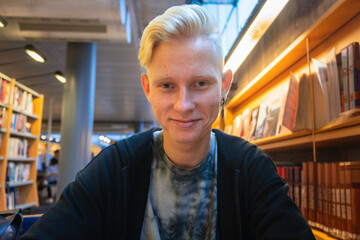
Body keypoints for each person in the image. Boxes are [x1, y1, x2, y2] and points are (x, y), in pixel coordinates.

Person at [20, 4, 315, 239]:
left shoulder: (250, 169)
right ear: (147, 88)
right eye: (167, 86)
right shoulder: (115, 168)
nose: (183, 105)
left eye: (200, 83)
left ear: (224, 86)